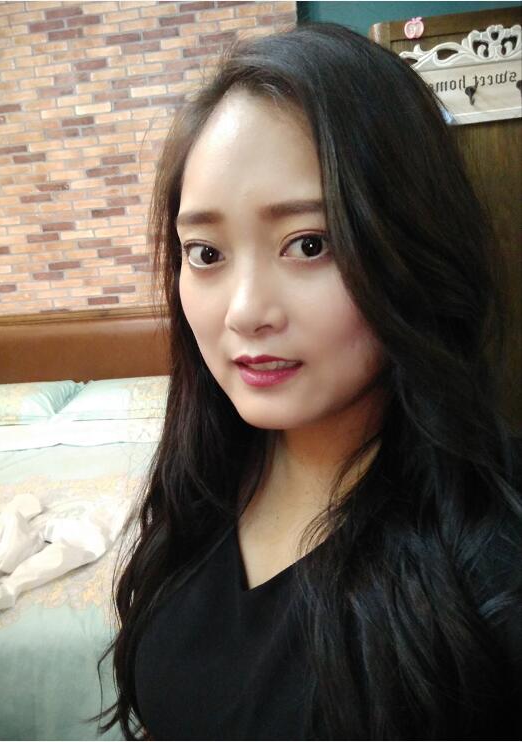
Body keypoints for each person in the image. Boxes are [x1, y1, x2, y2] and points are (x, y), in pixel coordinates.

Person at [94, 22, 521, 740]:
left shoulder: (492, 564)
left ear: (409, 245)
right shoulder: (203, 482)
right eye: (205, 253)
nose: (244, 312)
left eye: (309, 244)